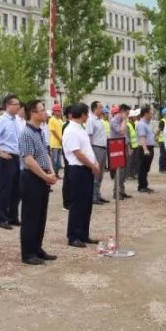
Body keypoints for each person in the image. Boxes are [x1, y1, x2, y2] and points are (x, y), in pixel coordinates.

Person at [18, 100, 58, 265]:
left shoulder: (40, 131)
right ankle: (28, 253)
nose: (45, 113)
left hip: (42, 176)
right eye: (42, 110)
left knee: (41, 215)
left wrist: (52, 170)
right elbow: (28, 159)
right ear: (33, 113)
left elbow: (45, 153)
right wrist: (44, 175)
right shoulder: (26, 133)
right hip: (32, 177)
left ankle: (37, 248)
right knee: (30, 216)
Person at [62, 103, 100, 246]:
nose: (88, 116)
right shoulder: (71, 129)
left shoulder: (80, 128)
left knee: (86, 203)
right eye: (87, 113)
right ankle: (73, 236)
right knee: (77, 203)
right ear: (83, 114)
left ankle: (83, 233)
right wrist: (92, 165)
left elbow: (86, 149)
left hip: (86, 169)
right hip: (78, 169)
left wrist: (93, 163)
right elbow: (77, 153)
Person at [0, 94, 22, 230]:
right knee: (4, 189)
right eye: (16, 105)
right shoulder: (2, 120)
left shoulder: (16, 121)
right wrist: (0, 152)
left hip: (16, 157)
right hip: (6, 157)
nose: (18, 107)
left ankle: (13, 217)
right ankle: (2, 219)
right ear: (8, 105)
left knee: (16, 189)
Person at [86, 102, 108, 204]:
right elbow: (89, 137)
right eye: (100, 107)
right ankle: (93, 196)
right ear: (95, 109)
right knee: (95, 173)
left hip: (103, 148)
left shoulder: (100, 120)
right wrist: (91, 153)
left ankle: (97, 194)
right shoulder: (91, 120)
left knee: (101, 174)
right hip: (96, 148)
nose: (102, 109)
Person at [135, 108, 156, 194]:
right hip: (144, 148)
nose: (152, 115)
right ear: (146, 114)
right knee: (142, 168)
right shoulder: (141, 124)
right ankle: (141, 186)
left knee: (146, 168)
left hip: (150, 147)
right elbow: (142, 137)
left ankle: (145, 185)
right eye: (151, 113)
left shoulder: (148, 124)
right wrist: (145, 149)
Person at [47, 104, 64, 176]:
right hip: (54, 143)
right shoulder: (52, 119)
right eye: (58, 111)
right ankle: (54, 174)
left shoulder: (60, 120)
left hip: (60, 143)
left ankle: (56, 174)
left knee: (58, 161)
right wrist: (60, 139)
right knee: (54, 160)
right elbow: (53, 131)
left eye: (60, 111)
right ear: (54, 112)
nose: (60, 112)